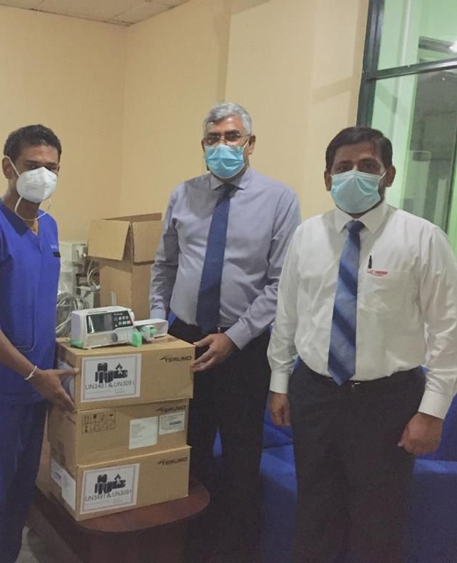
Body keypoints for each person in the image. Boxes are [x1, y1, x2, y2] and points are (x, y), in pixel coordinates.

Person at [268, 126, 457, 563]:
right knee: (314, 515)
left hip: (387, 402)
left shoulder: (422, 238)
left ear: (388, 174)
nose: (354, 175)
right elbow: (288, 315)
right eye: (343, 167)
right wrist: (279, 382)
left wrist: (432, 413)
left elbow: (450, 335)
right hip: (315, 394)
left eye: (367, 166)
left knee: (378, 525)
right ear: (327, 177)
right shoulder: (306, 236)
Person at [150, 102, 301, 562]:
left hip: (245, 348)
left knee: (239, 459)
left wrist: (234, 337)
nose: (222, 146)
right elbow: (164, 265)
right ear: (202, 145)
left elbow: (280, 283)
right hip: (182, 340)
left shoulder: (280, 200)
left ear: (250, 144)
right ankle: (185, 547)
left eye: (232, 137)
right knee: (182, 450)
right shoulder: (183, 195)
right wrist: (157, 325)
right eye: (213, 139)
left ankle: (234, 551)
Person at [0, 124, 76, 563]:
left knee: (20, 496)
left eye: (52, 168)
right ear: (8, 167)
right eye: (32, 165)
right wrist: (31, 373)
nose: (43, 175)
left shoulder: (49, 227)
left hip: (35, 388)